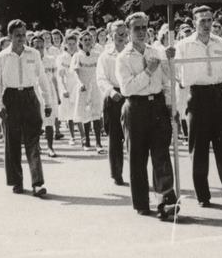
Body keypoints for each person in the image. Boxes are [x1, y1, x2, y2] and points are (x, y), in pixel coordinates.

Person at [173, 6, 222, 212]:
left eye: (209, 20)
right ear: (194, 22)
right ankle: (203, 195)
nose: (206, 25)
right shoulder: (184, 45)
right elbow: (178, 74)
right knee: (199, 150)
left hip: (219, 94)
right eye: (202, 21)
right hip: (197, 96)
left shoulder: (220, 43)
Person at [116, 11, 179, 220]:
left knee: (161, 153)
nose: (142, 32)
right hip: (136, 107)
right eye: (137, 28)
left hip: (158, 105)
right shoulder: (123, 57)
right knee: (137, 157)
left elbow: (168, 80)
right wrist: (148, 72)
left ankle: (166, 199)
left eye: (144, 27)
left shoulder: (157, 52)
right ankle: (142, 202)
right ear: (128, 31)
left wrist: (170, 105)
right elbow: (127, 88)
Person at [0, 19, 53, 197]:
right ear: (9, 36)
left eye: (23, 35)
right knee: (12, 143)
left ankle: (37, 183)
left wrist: (47, 102)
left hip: (30, 97)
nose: (21, 38)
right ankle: (17, 181)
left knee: (33, 141)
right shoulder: (1, 58)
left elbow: (42, 79)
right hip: (10, 98)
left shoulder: (33, 54)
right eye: (17, 35)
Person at [96, 20, 129, 185]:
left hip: (131, 94)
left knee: (132, 137)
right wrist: (110, 91)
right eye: (118, 35)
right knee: (115, 138)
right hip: (114, 97)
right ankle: (117, 173)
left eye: (124, 34)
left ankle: (136, 173)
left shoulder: (133, 51)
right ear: (110, 36)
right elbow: (101, 78)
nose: (122, 37)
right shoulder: (105, 55)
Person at [71, 31, 105, 154]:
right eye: (84, 39)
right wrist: (80, 83)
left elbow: (101, 71)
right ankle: (86, 141)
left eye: (89, 39)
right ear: (80, 41)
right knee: (85, 113)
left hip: (95, 86)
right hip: (83, 86)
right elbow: (75, 72)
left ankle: (98, 143)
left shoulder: (98, 54)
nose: (87, 41)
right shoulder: (77, 56)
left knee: (96, 113)